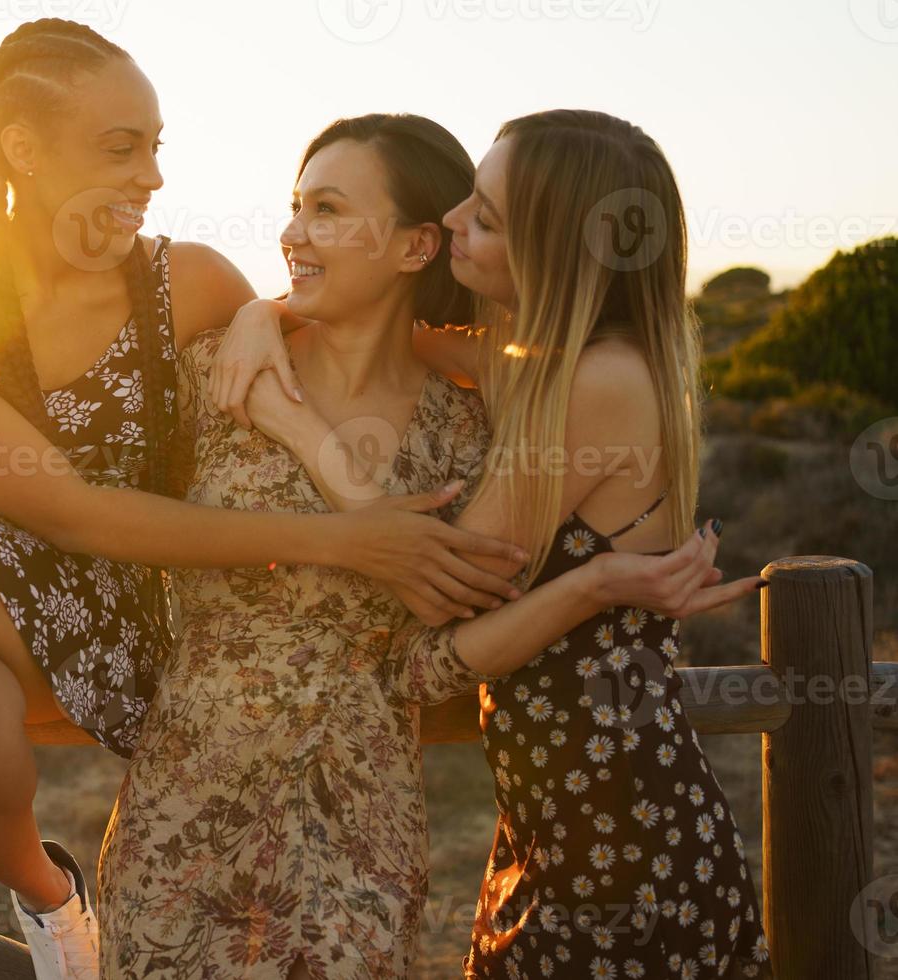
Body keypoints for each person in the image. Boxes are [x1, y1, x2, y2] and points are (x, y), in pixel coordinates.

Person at [0, 21, 524, 980]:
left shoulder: (184, 283)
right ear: (24, 148)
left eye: (155, 147)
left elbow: (361, 325)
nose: (150, 176)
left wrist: (269, 314)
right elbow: (65, 511)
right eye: (120, 148)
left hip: (133, 609)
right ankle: (57, 907)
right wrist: (340, 536)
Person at [98, 112, 755, 979]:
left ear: (550, 247)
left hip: (614, 825)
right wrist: (265, 312)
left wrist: (295, 425)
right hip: (549, 814)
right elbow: (394, 329)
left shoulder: (588, 385)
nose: (453, 224)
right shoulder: (542, 363)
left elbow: (435, 580)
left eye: (483, 216)